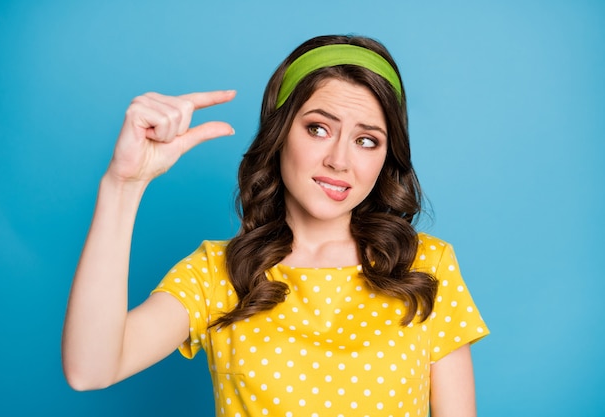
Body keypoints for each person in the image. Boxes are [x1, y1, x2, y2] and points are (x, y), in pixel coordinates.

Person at [62, 34, 489, 417]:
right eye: (319, 128)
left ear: (385, 156)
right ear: (280, 133)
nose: (339, 160)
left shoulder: (427, 267)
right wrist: (123, 185)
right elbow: (91, 370)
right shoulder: (218, 272)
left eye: (366, 140)